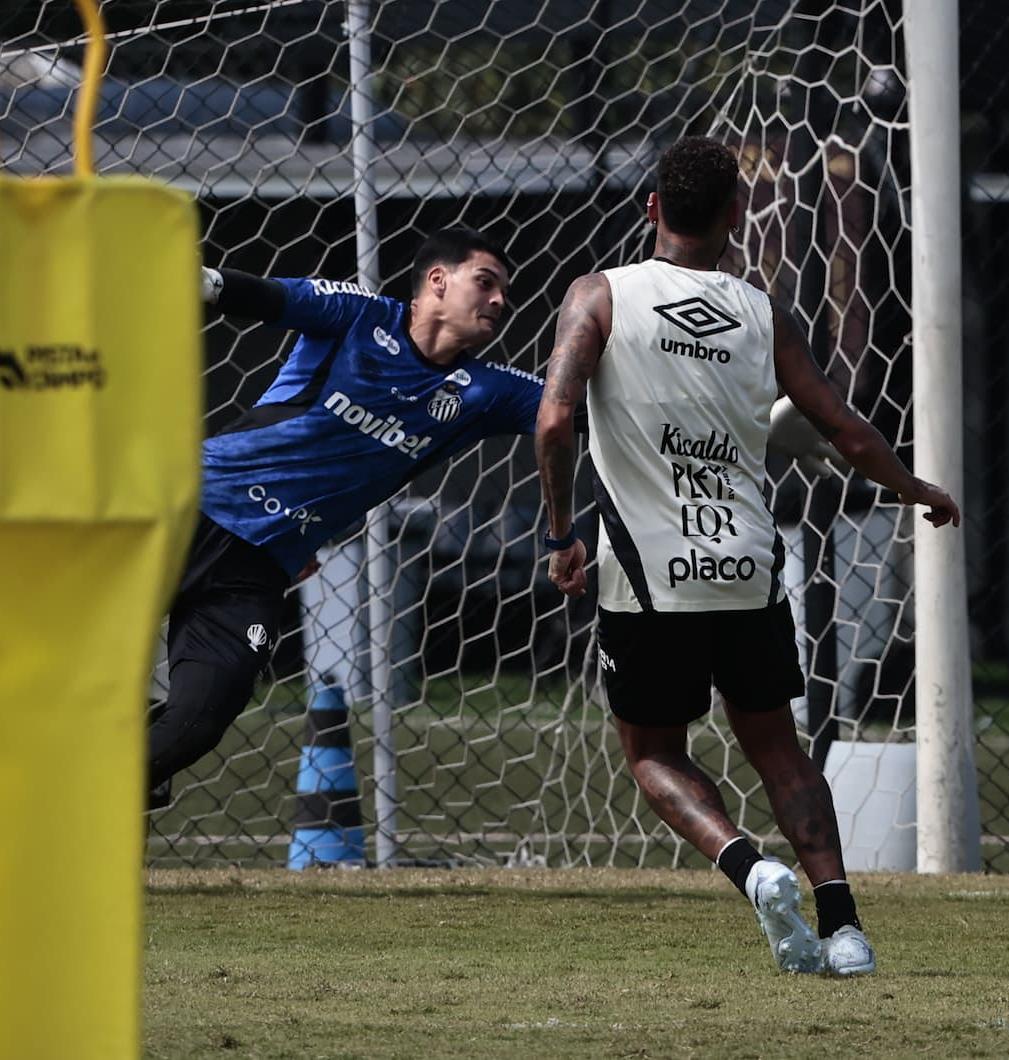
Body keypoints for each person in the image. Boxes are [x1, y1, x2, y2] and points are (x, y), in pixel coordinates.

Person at [149, 225, 846, 810]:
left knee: (198, 721)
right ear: (436, 282)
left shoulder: (483, 392)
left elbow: (598, 413)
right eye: (486, 281)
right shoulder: (359, 315)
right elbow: (256, 295)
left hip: (257, 572)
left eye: (505, 289)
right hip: (185, 513)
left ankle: (88, 800)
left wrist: (760, 427)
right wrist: (185, 275)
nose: (501, 299)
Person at [534, 135, 960, 976]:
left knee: (653, 753)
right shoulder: (765, 312)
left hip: (649, 579)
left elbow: (553, 420)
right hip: (748, 569)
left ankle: (750, 866)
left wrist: (560, 534)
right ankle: (846, 930)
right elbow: (845, 430)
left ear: (651, 208)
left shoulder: (600, 296)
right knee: (778, 748)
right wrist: (916, 490)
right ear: (736, 215)